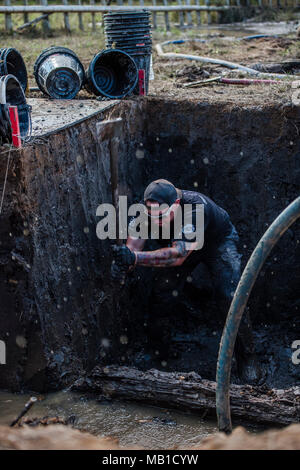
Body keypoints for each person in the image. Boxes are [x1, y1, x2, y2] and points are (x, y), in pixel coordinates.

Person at [111, 179, 260, 384]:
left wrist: (136, 259)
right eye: (153, 216)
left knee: (230, 296)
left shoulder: (195, 209)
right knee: (161, 293)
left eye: (163, 215)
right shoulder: (145, 212)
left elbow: (179, 255)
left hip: (216, 243)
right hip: (177, 246)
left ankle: (247, 359)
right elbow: (132, 250)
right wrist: (122, 261)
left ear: (176, 205)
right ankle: (159, 352)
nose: (158, 220)